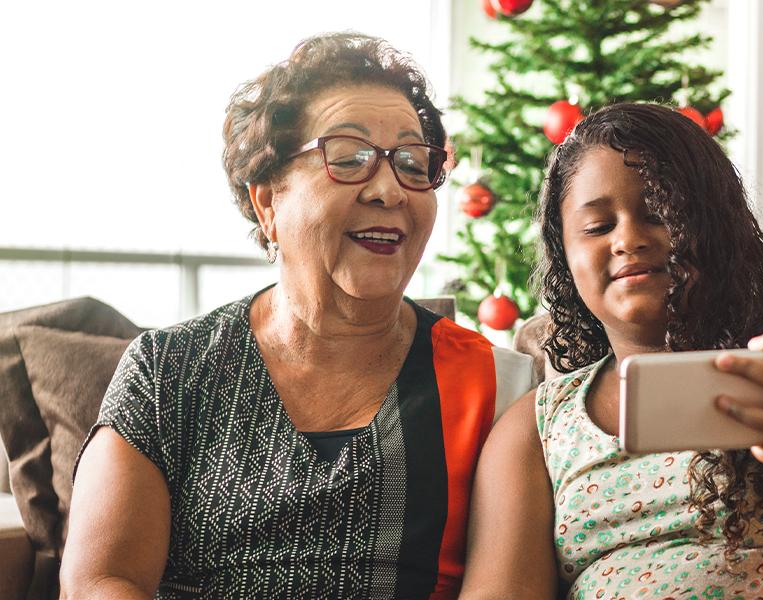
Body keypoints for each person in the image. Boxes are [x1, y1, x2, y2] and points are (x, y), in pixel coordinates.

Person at [61, 32, 533, 599]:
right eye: (349, 157)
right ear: (268, 201)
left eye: (412, 162)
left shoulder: (499, 386)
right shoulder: (169, 371)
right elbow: (101, 581)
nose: (390, 189)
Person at [460, 103, 763, 599]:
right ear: (566, 261)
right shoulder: (538, 429)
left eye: (658, 212)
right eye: (597, 227)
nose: (629, 239)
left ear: (718, 232)